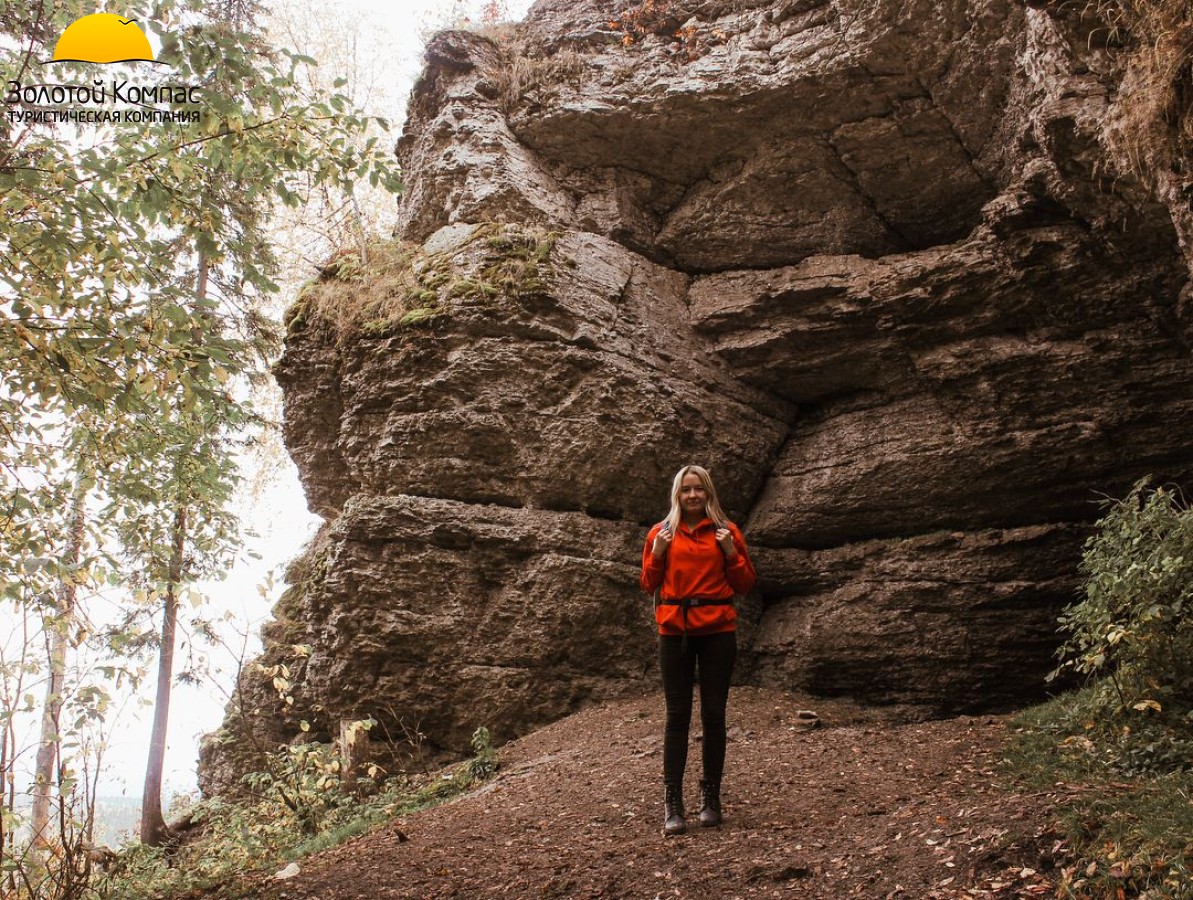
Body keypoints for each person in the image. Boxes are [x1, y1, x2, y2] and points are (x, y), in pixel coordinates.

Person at [640, 464, 756, 836]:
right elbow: (647, 583)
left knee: (713, 714)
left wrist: (729, 551)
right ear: (677, 495)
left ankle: (711, 798)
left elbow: (745, 583)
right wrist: (658, 553)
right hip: (674, 631)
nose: (692, 496)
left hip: (718, 631)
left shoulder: (727, 532)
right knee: (677, 717)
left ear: (708, 493)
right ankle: (673, 803)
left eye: (698, 490)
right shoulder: (661, 533)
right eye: (686, 490)